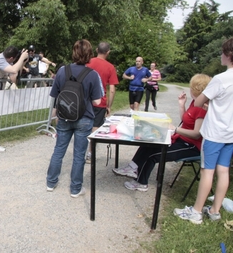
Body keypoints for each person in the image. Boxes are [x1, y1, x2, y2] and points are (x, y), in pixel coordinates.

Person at [112, 74, 211, 192]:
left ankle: (141, 183)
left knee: (153, 156)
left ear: (196, 89)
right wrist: (181, 105)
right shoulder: (195, 103)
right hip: (180, 139)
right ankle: (132, 167)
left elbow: (196, 134)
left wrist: (175, 129)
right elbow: (186, 120)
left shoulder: (202, 108)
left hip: (191, 146)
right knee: (150, 141)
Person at [174, 38, 233, 224]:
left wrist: (210, 102)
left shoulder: (221, 79)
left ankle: (196, 212)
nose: (221, 56)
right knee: (223, 171)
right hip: (230, 134)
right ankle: (215, 211)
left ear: (229, 55)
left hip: (215, 133)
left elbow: (199, 101)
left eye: (223, 53)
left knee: (207, 171)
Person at [46, 39, 103, 198]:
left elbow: (55, 96)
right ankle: (75, 189)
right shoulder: (92, 75)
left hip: (64, 117)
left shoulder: (63, 71)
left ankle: (51, 182)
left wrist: (54, 116)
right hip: (84, 119)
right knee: (79, 154)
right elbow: (97, 101)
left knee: (59, 150)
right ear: (89, 54)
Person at [85, 42, 119, 163]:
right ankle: (90, 153)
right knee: (95, 127)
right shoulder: (110, 67)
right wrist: (109, 106)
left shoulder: (88, 62)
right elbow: (112, 90)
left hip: (85, 100)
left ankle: (79, 152)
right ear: (108, 52)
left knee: (83, 125)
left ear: (96, 49)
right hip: (100, 101)